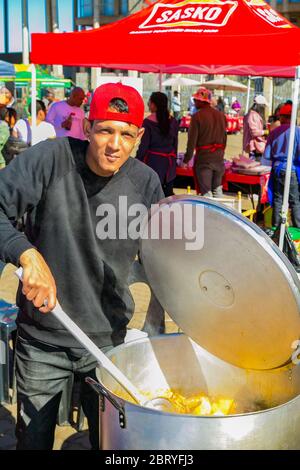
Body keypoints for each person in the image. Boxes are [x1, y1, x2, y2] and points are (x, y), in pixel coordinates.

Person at [0, 82, 164, 450]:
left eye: (125, 134)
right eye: (105, 129)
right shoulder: (49, 159)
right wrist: (26, 253)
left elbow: (165, 262)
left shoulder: (146, 182)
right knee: (34, 440)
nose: (114, 144)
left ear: (138, 136)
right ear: (86, 127)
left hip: (109, 344)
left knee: (111, 444)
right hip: (44, 338)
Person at [183, 86, 227, 197]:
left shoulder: (197, 117)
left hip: (204, 161)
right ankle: (219, 214)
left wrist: (186, 159)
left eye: (196, 100)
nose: (194, 102)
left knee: (206, 193)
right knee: (217, 191)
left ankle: (209, 215)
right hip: (219, 159)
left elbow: (191, 141)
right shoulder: (221, 116)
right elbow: (225, 138)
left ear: (201, 102)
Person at [262, 103, 300, 229]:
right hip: (292, 169)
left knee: (278, 199)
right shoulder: (297, 132)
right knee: (295, 200)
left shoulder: (274, 132)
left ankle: (276, 227)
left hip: (278, 169)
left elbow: (267, 155)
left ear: (282, 117)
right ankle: (297, 228)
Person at [136, 91, 178, 197]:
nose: (148, 105)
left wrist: (137, 160)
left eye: (149, 102)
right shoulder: (173, 121)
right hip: (169, 166)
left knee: (151, 197)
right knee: (167, 197)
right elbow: (175, 144)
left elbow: (143, 146)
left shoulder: (148, 122)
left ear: (154, 104)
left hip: (153, 164)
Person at [243, 95, 268, 160]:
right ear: (261, 106)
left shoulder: (251, 114)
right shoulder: (253, 115)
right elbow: (254, 132)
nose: (264, 108)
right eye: (264, 106)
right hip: (255, 147)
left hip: (255, 147)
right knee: (256, 165)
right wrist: (266, 132)